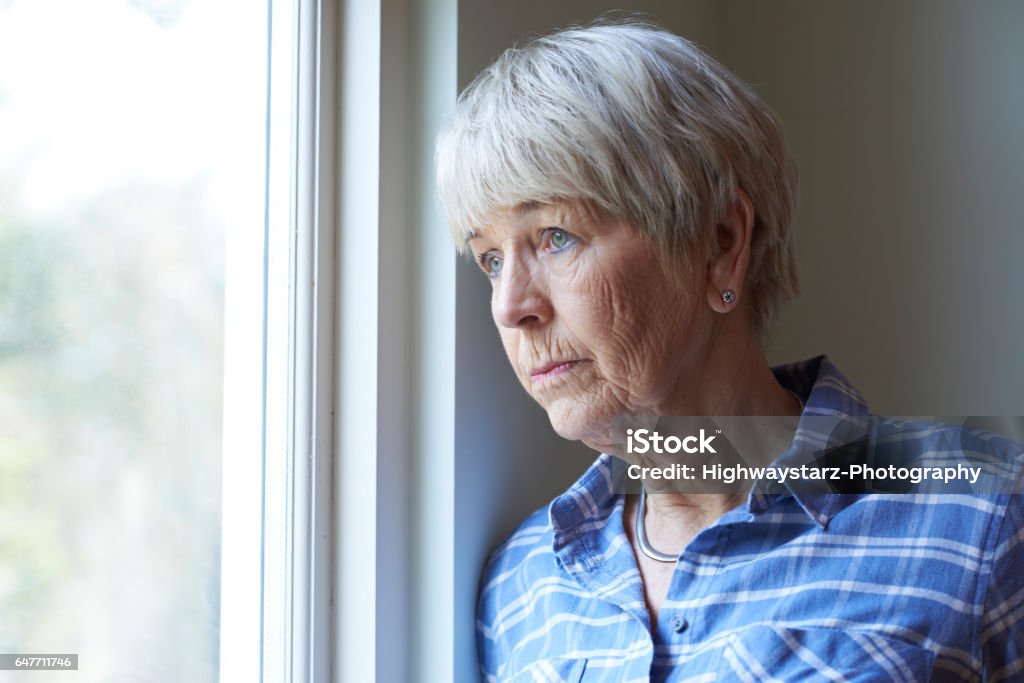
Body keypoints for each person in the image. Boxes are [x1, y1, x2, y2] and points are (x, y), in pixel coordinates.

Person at [435, 21, 1024, 682]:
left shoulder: (987, 512)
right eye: (489, 258)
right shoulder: (520, 588)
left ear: (720, 242)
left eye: (556, 235)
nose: (511, 306)